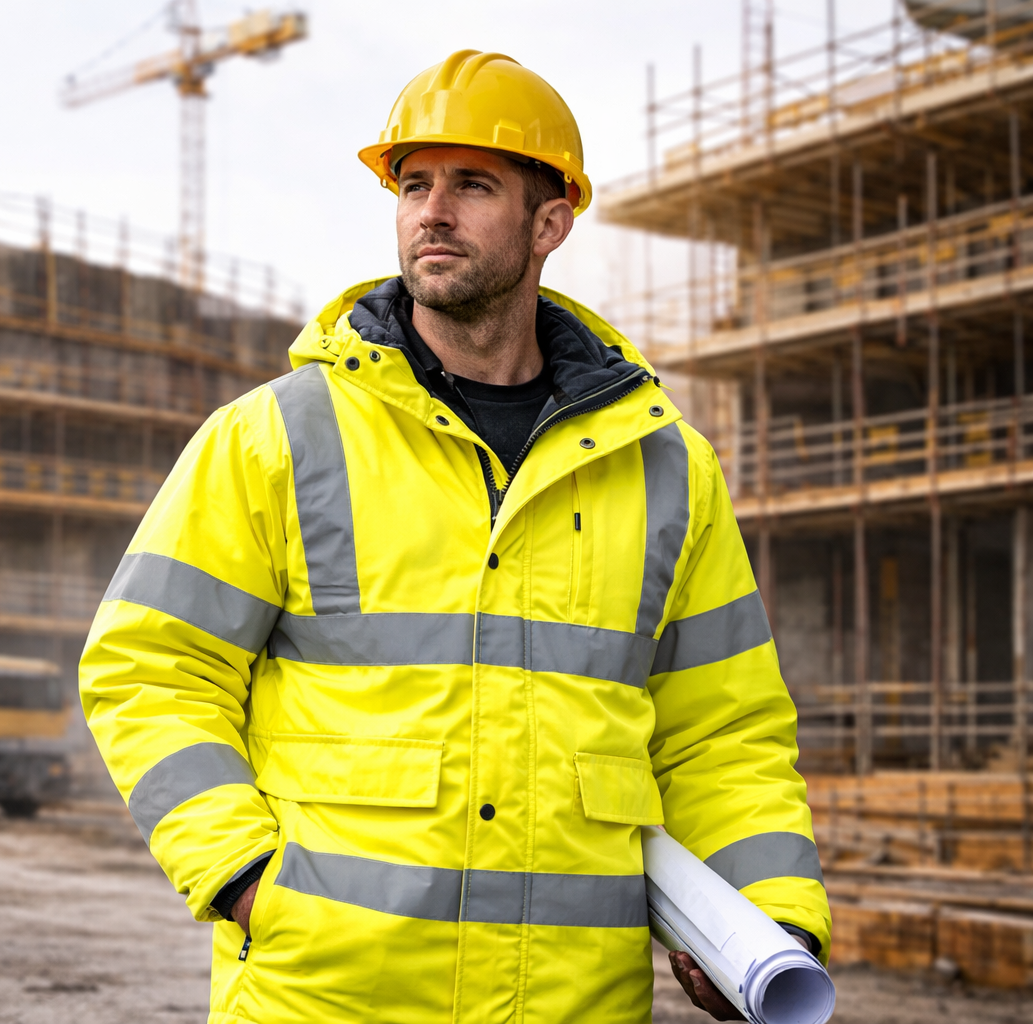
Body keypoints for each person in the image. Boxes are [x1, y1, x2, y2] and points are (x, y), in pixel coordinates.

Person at [80, 51, 831, 1024]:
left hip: (569, 1004)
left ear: (551, 220)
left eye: (472, 186)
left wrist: (769, 918)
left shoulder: (666, 470)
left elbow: (722, 733)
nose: (431, 211)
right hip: (327, 996)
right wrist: (243, 876)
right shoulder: (276, 437)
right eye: (413, 184)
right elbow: (150, 667)